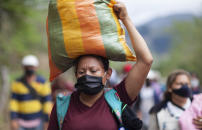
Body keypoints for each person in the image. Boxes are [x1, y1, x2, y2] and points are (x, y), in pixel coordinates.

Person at [48, 1, 153, 130]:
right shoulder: (62, 106)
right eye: (81, 72)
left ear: (107, 74)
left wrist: (126, 19)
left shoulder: (118, 97)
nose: (87, 75)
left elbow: (145, 61)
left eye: (93, 71)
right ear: (76, 75)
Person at [9, 55, 52, 130]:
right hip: (21, 123)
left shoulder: (43, 83)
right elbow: (14, 103)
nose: (29, 69)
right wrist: (13, 119)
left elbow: (47, 103)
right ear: (23, 67)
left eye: (31, 67)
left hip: (38, 122)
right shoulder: (17, 83)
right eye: (27, 67)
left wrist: (47, 121)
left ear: (36, 67)